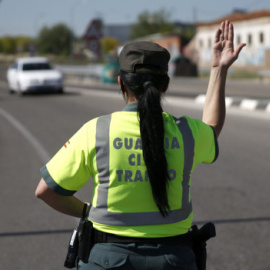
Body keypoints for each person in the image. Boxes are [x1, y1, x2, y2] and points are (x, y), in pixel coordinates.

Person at [35, 20, 245, 270]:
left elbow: (46, 191)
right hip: (174, 260)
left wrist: (86, 212)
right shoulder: (187, 132)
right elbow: (212, 127)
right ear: (165, 85)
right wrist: (218, 69)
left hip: (106, 260)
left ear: (121, 83)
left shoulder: (96, 131)